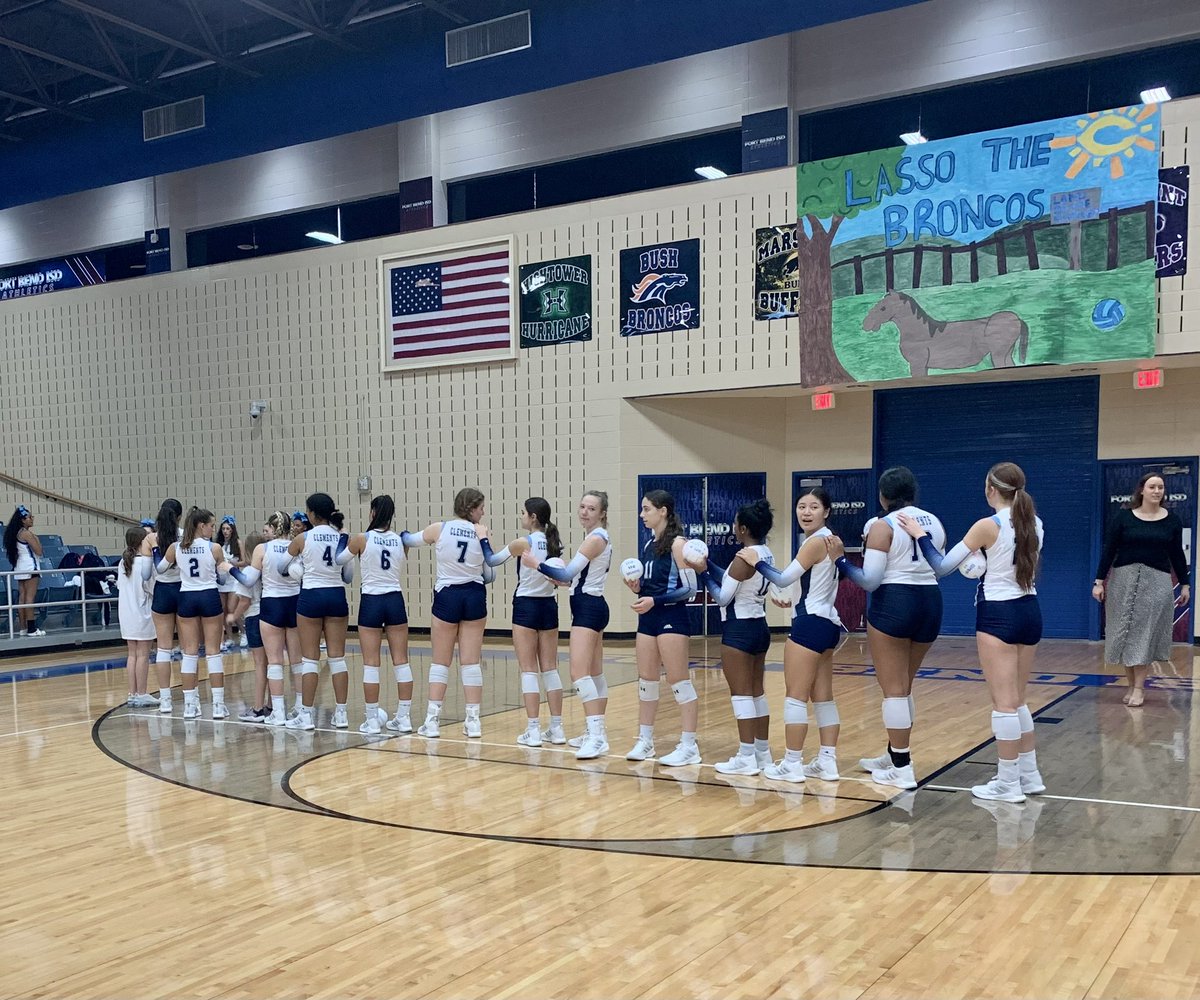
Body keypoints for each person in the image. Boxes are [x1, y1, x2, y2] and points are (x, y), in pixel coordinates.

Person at [897, 462, 1046, 802]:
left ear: (991, 489)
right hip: (1030, 611)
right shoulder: (1035, 522)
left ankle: (1008, 783)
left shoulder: (987, 525)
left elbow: (943, 566)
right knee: (1019, 700)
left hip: (998, 614)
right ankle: (1029, 774)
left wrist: (921, 537)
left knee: (1004, 704)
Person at [830, 467, 946, 791]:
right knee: (904, 686)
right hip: (930, 602)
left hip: (895, 601)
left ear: (883, 495)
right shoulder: (934, 522)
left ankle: (902, 767)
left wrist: (840, 560)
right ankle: (893, 754)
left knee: (893, 689)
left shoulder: (883, 526)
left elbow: (869, 580)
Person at [753, 489, 845, 782]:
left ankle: (792, 763)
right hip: (828, 624)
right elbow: (814, 585)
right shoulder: (830, 541)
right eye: (801, 506)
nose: (806, 512)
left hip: (809, 625)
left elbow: (781, 578)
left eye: (814, 507)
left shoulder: (815, 543)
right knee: (823, 698)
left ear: (826, 511)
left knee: (795, 697)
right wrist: (790, 598)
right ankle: (827, 762)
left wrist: (756, 561)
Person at [521, 489, 613, 760]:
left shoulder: (595, 539)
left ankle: (596, 737)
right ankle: (597, 732)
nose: (585, 512)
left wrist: (537, 564)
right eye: (582, 507)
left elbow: (567, 572)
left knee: (579, 673)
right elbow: (571, 579)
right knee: (595, 673)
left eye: (591, 508)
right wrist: (561, 581)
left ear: (603, 513)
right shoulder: (595, 537)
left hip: (588, 608)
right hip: (590, 603)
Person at [403, 488, 495, 739]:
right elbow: (489, 574)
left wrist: (400, 535)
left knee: (440, 660)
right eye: (481, 507)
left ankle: (432, 722)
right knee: (471, 662)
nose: (483, 512)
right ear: (471, 508)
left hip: (448, 595)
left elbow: (409, 540)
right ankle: (473, 721)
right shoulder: (481, 533)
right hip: (475, 595)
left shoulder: (439, 528)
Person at [1094, 472, 1190, 707]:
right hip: (1123, 580)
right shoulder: (1124, 518)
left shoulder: (1172, 521)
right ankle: (1130, 686)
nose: (1157, 491)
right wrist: (1098, 581)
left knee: (1144, 635)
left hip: (1156, 581)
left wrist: (1185, 584)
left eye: (1160, 487)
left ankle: (1139, 688)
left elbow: (1177, 553)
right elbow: (1110, 549)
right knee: (1126, 634)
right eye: (1152, 487)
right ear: (1142, 490)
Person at [626, 489, 706, 766]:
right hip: (648, 618)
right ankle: (645, 741)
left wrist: (654, 599)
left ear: (663, 511)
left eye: (646, 509)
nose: (642, 514)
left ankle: (689, 745)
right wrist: (637, 587)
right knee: (646, 681)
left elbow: (690, 590)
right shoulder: (649, 545)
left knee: (679, 681)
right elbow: (652, 584)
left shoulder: (678, 544)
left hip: (672, 617)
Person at [481, 498, 564, 748]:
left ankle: (534, 730)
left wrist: (483, 537)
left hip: (527, 606)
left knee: (529, 669)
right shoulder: (553, 542)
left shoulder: (523, 542)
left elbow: (492, 560)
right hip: (549, 606)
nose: (522, 517)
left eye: (523, 513)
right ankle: (557, 729)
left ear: (534, 517)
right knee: (550, 668)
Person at [703, 499, 776, 776]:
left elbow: (723, 596)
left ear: (743, 528)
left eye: (736, 523)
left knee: (741, 694)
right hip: (760, 626)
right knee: (757, 692)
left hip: (739, 630)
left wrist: (702, 574)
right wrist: (708, 564)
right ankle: (762, 752)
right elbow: (734, 580)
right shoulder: (764, 553)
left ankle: (746, 757)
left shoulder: (742, 557)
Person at [281, 493, 354, 731]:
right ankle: (341, 714)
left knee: (310, 660)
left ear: (311, 514)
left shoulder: (303, 537)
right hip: (336, 597)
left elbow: (281, 566)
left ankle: (306, 715)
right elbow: (348, 576)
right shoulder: (343, 537)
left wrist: (297, 566)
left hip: (311, 597)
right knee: (337, 658)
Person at [346, 495, 412, 736]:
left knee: (371, 663)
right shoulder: (399, 540)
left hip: (371, 601)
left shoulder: (362, 538)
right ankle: (404, 718)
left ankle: (372, 720)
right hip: (395, 599)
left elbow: (340, 560)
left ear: (373, 512)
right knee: (401, 660)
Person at [156, 507, 228, 720]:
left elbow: (160, 569)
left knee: (189, 652)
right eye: (211, 525)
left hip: (186, 597)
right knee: (213, 651)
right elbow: (222, 579)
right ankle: (217, 706)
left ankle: (189, 706)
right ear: (200, 526)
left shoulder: (175, 547)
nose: (213, 529)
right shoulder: (214, 548)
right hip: (209, 595)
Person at [231, 511, 301, 727]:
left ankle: (277, 712)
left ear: (272, 527)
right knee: (297, 662)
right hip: (295, 603)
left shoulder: (263, 548)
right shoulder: (297, 545)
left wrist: (230, 569)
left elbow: (249, 579)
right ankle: (300, 710)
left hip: (272, 604)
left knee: (275, 661)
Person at [143, 498, 184, 713]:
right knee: (189, 649)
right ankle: (191, 699)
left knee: (163, 649)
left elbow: (146, 573)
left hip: (163, 591)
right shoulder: (186, 534)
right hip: (184, 590)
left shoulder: (152, 537)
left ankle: (166, 699)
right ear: (179, 516)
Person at [117, 526, 157, 707]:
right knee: (143, 654)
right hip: (142, 613)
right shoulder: (145, 563)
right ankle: (142, 692)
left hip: (126, 613)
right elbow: (151, 588)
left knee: (132, 654)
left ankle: (132, 693)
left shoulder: (122, 562)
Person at [232, 531, 267, 722]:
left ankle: (258, 707)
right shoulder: (267, 568)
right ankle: (270, 704)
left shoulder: (247, 572)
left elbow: (244, 601)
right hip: (270, 615)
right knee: (272, 664)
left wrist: (233, 616)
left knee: (260, 664)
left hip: (254, 617)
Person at [4, 505, 44, 637]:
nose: (32, 519)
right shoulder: (26, 533)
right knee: (29, 598)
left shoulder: (16, 533)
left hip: (20, 567)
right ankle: (31, 629)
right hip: (30, 567)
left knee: (22, 598)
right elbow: (39, 551)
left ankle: (23, 628)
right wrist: (36, 538)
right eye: (29, 517)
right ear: (22, 520)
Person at [216, 516, 243, 651]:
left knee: (232, 609)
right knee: (224, 610)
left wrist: (234, 563)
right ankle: (230, 637)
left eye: (228, 529)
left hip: (233, 581)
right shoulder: (218, 545)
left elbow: (245, 561)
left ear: (232, 530)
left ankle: (243, 632)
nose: (225, 531)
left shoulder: (237, 543)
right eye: (223, 529)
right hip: (222, 581)